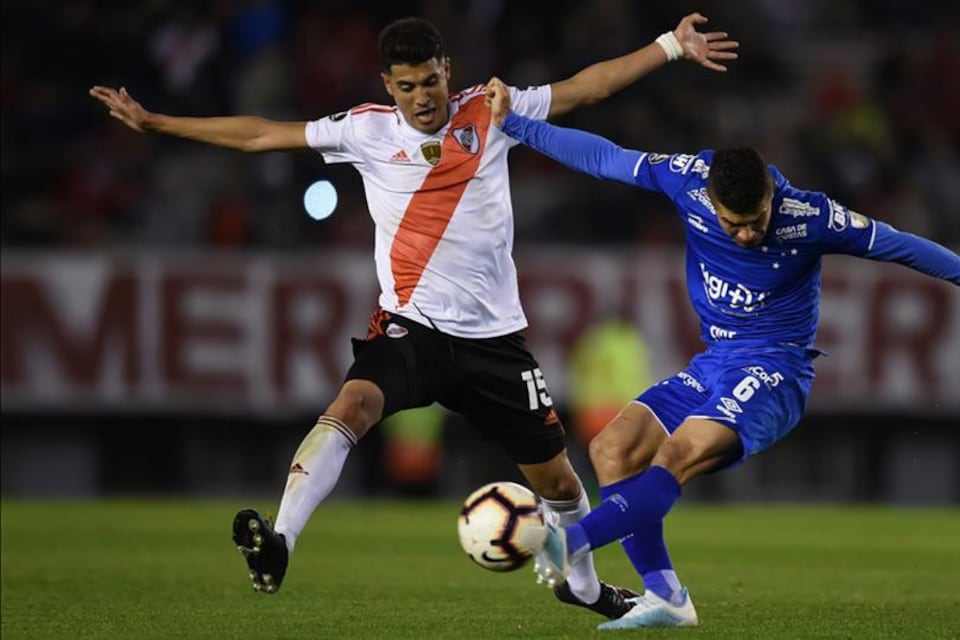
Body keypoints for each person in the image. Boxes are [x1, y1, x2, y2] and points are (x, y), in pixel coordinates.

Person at [89, 13, 738, 619]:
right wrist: (158, 124)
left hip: (495, 344)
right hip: (412, 330)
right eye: (406, 86)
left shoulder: (492, 110)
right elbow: (262, 134)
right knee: (351, 407)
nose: (422, 97)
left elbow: (587, 89)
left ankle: (585, 587)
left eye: (430, 81)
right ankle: (280, 538)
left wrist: (672, 46)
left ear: (447, 70)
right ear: (387, 86)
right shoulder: (365, 129)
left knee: (563, 486)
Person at [484, 77, 960, 629]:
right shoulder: (687, 180)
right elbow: (604, 157)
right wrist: (515, 123)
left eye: (756, 219)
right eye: (734, 224)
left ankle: (570, 543)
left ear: (769, 195)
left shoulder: (810, 217)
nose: (746, 235)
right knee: (612, 449)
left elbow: (902, 244)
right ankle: (666, 598)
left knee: (674, 457)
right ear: (712, 199)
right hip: (715, 362)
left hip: (774, 367)